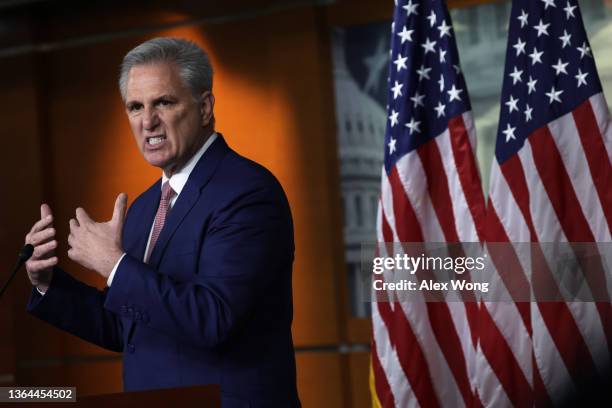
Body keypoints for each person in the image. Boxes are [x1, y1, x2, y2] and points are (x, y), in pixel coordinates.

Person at [23, 37, 300, 407]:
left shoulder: (248, 193)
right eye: (135, 107)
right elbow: (128, 327)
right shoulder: (144, 207)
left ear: (204, 108)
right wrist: (47, 284)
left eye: (164, 102)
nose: (147, 121)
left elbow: (212, 318)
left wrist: (113, 264)